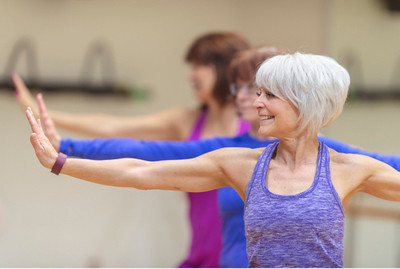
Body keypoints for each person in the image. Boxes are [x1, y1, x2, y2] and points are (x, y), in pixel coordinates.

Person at [25, 51, 400, 268]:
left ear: (305, 102)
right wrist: (62, 162)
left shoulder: (350, 169)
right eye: (257, 92)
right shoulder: (239, 163)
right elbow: (142, 171)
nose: (255, 103)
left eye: (269, 96)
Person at [14, 32, 250, 268]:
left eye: (200, 65)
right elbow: (118, 132)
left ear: (224, 68)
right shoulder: (187, 122)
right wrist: (44, 120)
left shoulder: (256, 135)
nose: (191, 74)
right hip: (201, 259)